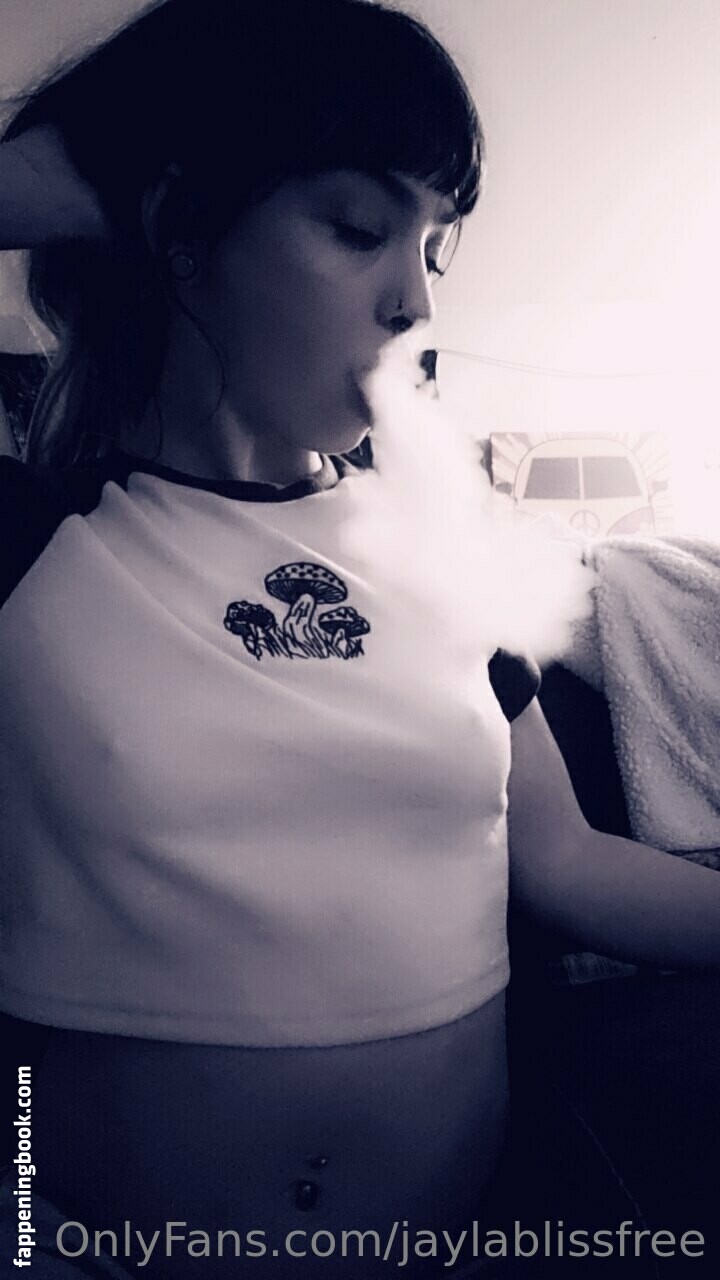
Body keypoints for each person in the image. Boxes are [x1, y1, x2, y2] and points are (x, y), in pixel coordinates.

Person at [0, 2, 718, 1276]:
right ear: (179, 230)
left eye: (435, 246)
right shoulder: (35, 539)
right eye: (355, 226)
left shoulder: (446, 541)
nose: (415, 299)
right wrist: (108, 178)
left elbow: (567, 862)